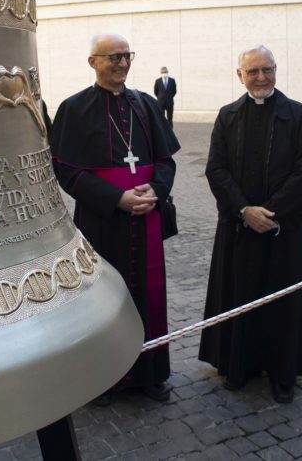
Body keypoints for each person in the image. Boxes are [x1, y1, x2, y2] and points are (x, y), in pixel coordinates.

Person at [49, 34, 180, 402]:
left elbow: (167, 159)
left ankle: (150, 376)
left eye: (126, 56)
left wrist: (157, 189)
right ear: (93, 62)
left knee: (148, 296)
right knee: (102, 299)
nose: (121, 63)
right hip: (101, 220)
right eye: (112, 57)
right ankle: (103, 379)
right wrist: (116, 198)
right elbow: (65, 170)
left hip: (147, 216)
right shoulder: (73, 109)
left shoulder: (147, 105)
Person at [198, 45, 302, 403]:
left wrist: (270, 213)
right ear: (240, 76)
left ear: (276, 70)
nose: (261, 77)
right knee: (239, 297)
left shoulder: (299, 115)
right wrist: (243, 210)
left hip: (281, 231)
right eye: (253, 72)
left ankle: (283, 374)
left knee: (281, 305)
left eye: (267, 70)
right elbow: (215, 169)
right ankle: (238, 366)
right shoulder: (227, 115)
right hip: (238, 229)